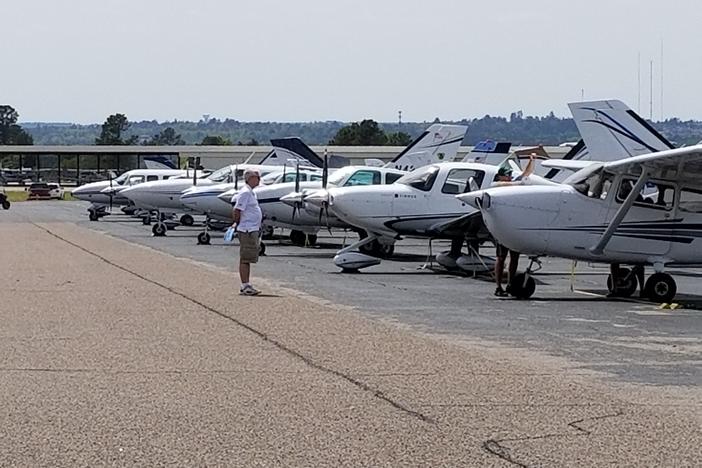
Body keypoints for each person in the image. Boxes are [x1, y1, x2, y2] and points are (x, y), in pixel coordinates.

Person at [232, 168, 263, 296]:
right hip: (247, 230)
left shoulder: (251, 192)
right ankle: (245, 285)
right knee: (245, 258)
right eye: (257, 177)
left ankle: (247, 284)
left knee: (249, 258)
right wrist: (238, 223)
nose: (259, 179)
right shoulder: (245, 192)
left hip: (251, 228)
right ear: (249, 178)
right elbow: (237, 210)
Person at [492, 165, 520, 297]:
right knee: (501, 257)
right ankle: (498, 286)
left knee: (514, 257)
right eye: (507, 175)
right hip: (503, 229)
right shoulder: (497, 186)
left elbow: (524, 177)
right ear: (500, 176)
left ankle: (510, 284)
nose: (509, 177)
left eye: (510, 175)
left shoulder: (513, 187)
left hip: (515, 228)